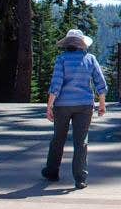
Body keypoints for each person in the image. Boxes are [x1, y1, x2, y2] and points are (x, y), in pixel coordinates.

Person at [41, 29, 107, 189]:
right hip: (85, 105)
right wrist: (102, 103)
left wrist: (49, 105)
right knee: (81, 141)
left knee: (58, 138)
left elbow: (56, 83)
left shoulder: (61, 59)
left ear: (67, 44)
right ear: (82, 44)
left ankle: (52, 171)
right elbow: (100, 81)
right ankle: (80, 178)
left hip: (62, 105)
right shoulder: (90, 59)